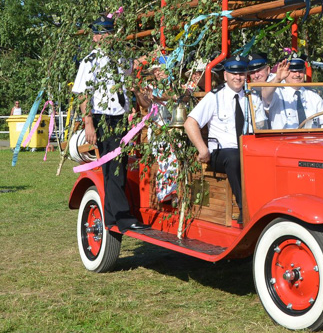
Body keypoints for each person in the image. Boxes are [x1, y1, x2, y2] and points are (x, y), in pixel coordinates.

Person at [72, 15, 147, 232]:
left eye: (110, 33)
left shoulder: (122, 58)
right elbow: (83, 94)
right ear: (95, 37)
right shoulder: (90, 61)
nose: (107, 37)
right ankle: (123, 217)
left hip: (121, 117)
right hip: (103, 118)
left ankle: (112, 216)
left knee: (118, 165)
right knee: (114, 167)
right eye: (103, 34)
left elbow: (128, 84)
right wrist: (88, 123)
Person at [184, 55, 267, 223]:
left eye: (242, 73)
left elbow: (262, 128)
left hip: (249, 152)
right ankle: (245, 209)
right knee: (234, 157)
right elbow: (190, 123)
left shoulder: (253, 97)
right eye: (233, 73)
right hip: (220, 154)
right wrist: (202, 149)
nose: (238, 77)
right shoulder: (214, 97)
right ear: (225, 75)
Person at [134, 54, 178, 203]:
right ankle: (166, 193)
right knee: (166, 152)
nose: (157, 73)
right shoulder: (150, 87)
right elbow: (145, 104)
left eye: (160, 70)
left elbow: (174, 96)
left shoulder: (176, 85)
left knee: (174, 150)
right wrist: (137, 92)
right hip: (159, 131)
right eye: (155, 71)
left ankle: (173, 191)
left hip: (176, 130)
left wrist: (156, 96)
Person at [268, 57, 323, 129]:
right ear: (285, 72)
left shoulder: (313, 97)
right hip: (284, 140)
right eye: (293, 71)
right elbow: (265, 95)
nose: (297, 75)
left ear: (304, 72)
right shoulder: (277, 93)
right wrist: (277, 79)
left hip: (311, 140)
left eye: (300, 71)